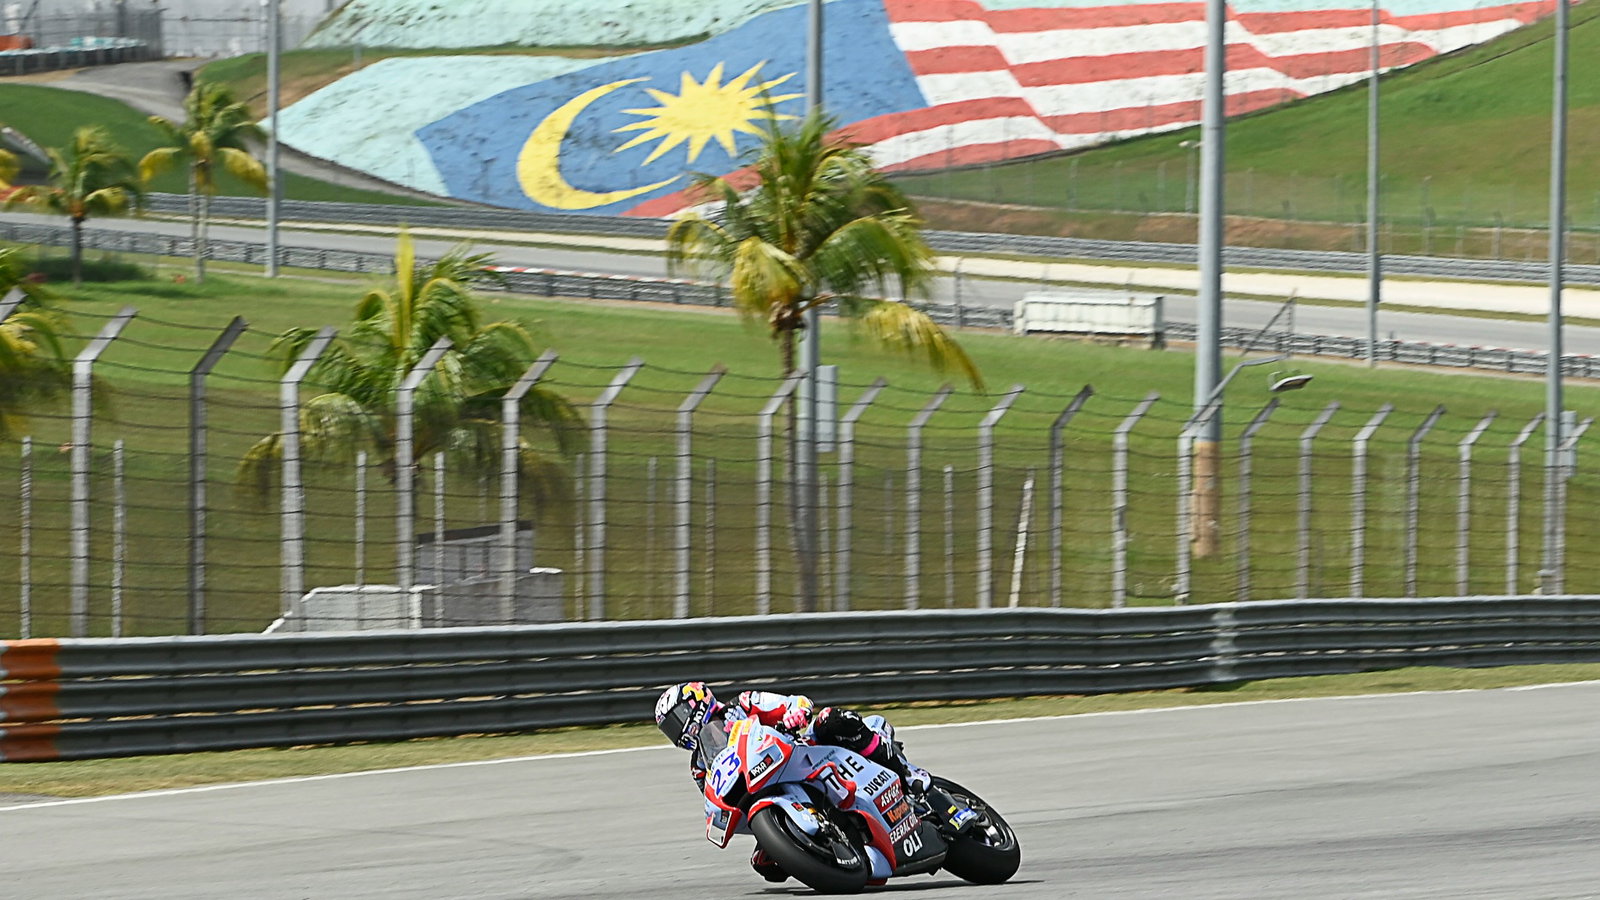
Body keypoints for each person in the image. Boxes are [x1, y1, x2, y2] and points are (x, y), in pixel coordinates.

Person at [654, 682, 973, 882]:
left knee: (833, 719)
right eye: (671, 727)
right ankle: (835, 845)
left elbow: (796, 702)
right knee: (768, 867)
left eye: (679, 718)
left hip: (809, 751)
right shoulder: (700, 765)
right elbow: (719, 798)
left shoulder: (744, 704)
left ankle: (912, 777)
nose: (678, 729)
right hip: (770, 790)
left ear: (698, 702)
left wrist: (794, 713)